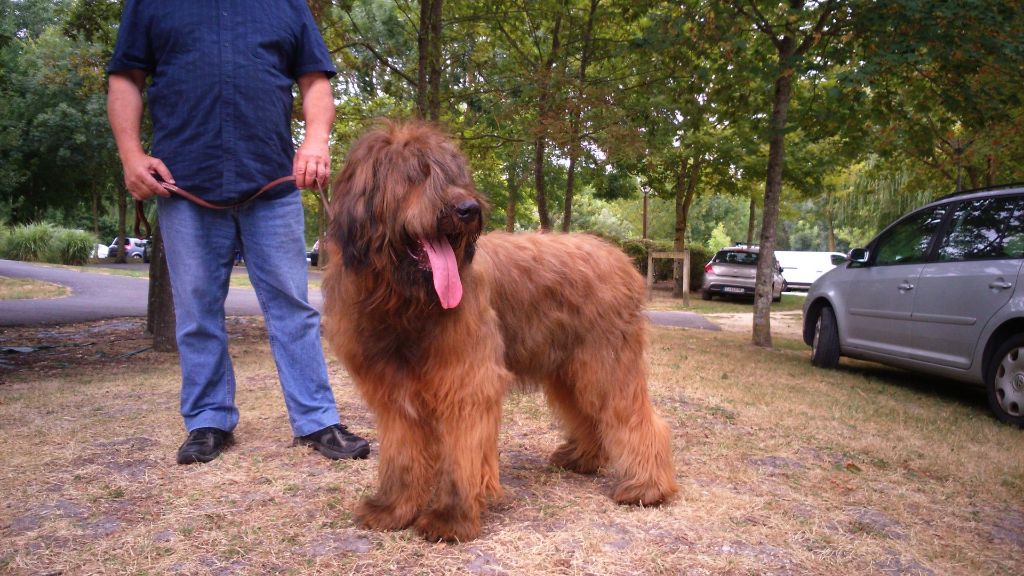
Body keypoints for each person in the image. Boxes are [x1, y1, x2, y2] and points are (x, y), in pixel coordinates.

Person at [106, 0, 369, 465]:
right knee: (196, 312)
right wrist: (130, 154)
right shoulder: (148, 4)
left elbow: (315, 80)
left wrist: (315, 141)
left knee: (294, 308)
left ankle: (317, 420)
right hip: (184, 181)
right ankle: (208, 420)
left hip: (272, 180)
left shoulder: (288, 5)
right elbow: (126, 78)